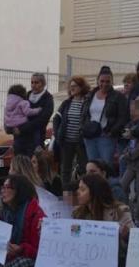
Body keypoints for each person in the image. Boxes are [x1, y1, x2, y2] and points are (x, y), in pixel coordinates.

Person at [73, 174, 134, 267]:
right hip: (87, 264)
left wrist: (125, 236)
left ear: (94, 192)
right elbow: (73, 237)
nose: (77, 192)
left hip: (116, 266)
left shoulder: (120, 211)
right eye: (78, 188)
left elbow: (134, 242)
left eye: (82, 189)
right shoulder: (77, 213)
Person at [82, 66, 129, 169]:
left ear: (112, 82)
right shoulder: (90, 95)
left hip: (106, 136)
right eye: (102, 81)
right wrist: (84, 127)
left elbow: (123, 117)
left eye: (108, 81)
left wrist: (112, 132)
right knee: (92, 165)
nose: (104, 84)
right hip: (90, 136)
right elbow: (84, 114)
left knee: (106, 166)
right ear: (97, 81)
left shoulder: (118, 97)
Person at [52, 76, 90, 204]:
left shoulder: (87, 102)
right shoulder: (67, 103)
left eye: (75, 86)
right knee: (65, 169)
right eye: (71, 86)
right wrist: (57, 135)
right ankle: (66, 196)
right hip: (66, 141)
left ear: (82, 87)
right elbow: (56, 119)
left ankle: (82, 193)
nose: (72, 88)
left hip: (81, 142)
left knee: (84, 168)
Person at [10, 73, 55, 156]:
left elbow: (42, 119)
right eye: (32, 82)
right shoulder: (25, 96)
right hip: (20, 138)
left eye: (36, 83)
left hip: (36, 138)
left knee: (33, 164)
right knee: (20, 164)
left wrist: (23, 128)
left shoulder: (48, 98)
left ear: (43, 84)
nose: (33, 85)